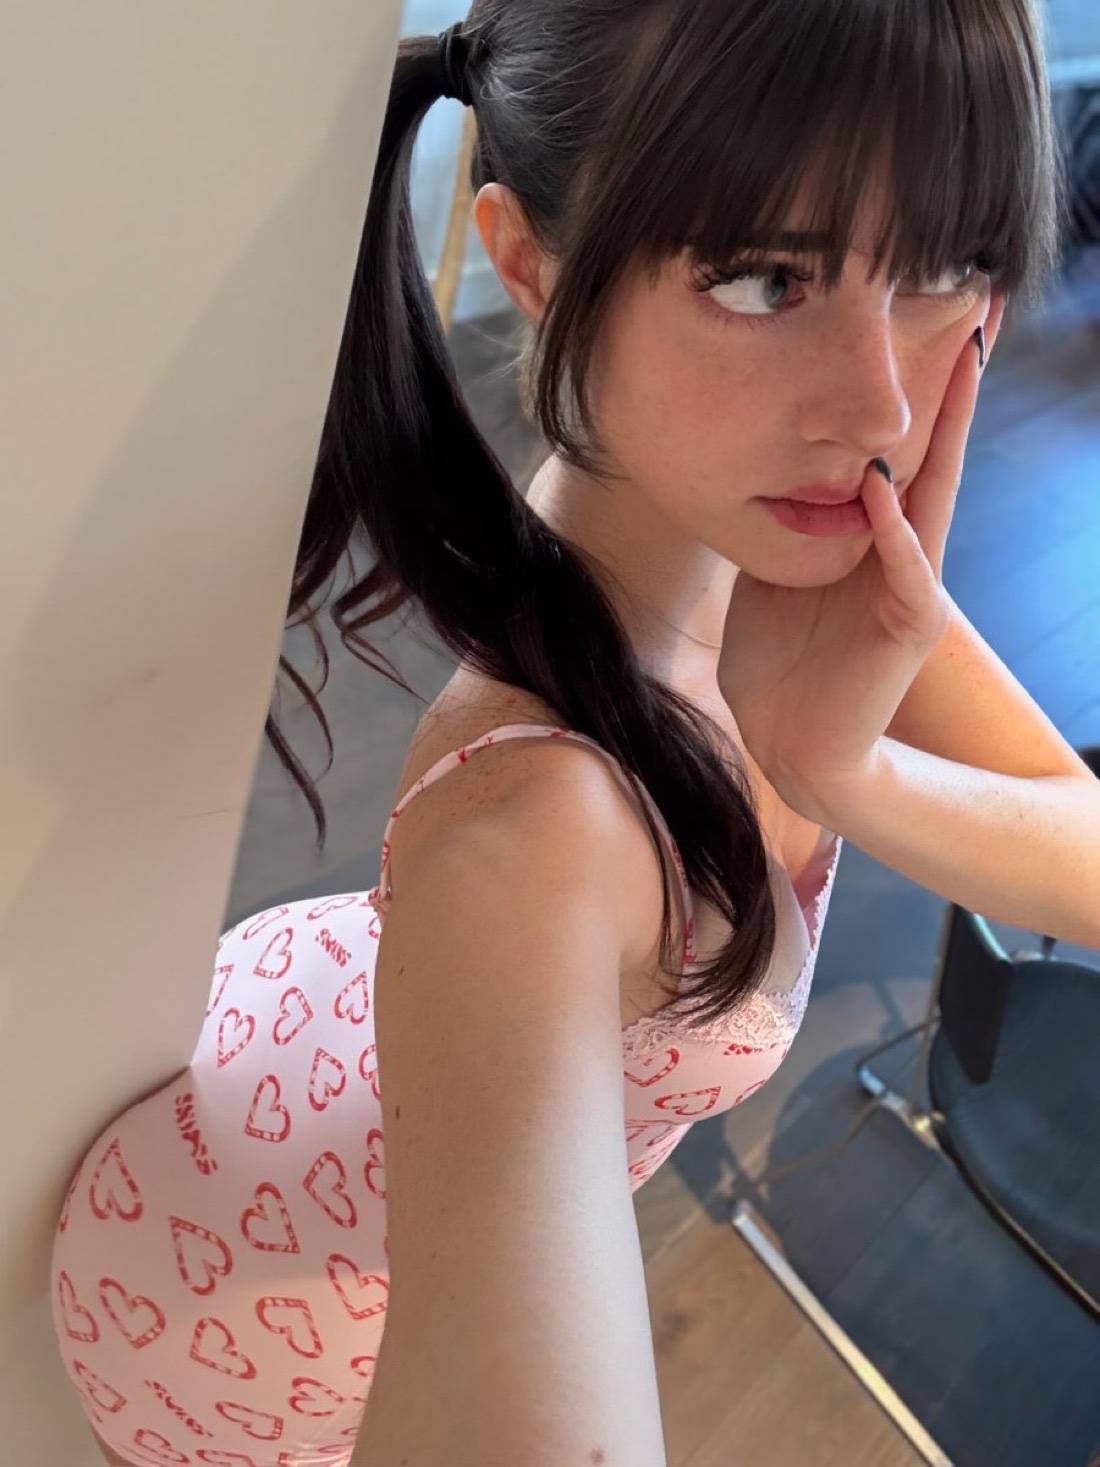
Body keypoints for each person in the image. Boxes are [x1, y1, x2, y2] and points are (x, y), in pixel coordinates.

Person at [49, 1, 1095, 1463]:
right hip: (234, 1323)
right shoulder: (535, 840)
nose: (877, 405)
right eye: (761, 278)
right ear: (529, 263)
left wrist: (847, 772)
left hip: (303, 1081)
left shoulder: (802, 553)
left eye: (943, 265)